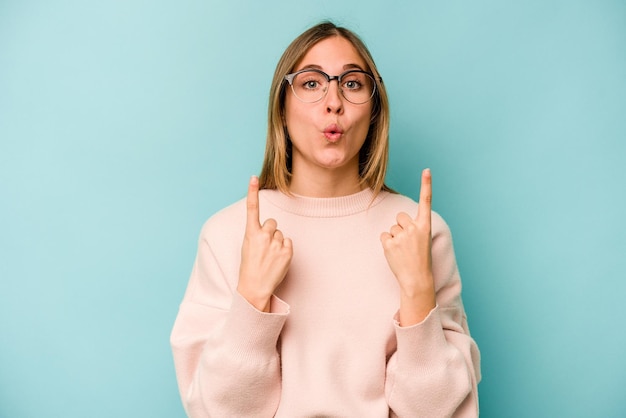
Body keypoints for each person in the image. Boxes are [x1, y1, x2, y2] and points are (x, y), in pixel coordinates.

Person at [170, 21, 481, 417]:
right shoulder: (228, 235)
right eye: (312, 83)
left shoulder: (422, 233)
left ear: (373, 110)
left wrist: (419, 297)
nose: (333, 101)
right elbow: (215, 410)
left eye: (352, 83)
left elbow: (442, 413)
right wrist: (251, 301)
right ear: (281, 107)